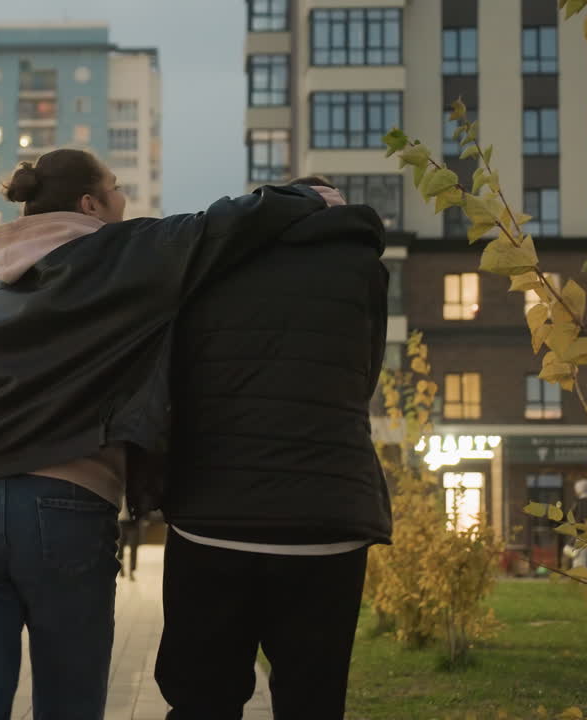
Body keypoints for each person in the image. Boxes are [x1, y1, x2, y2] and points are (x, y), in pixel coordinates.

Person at [0, 148, 339, 720]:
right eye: (115, 188)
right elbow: (219, 226)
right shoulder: (122, 255)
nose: (123, 200)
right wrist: (308, 196)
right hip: (63, 502)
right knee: (68, 703)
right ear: (90, 204)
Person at [154, 175, 392, 720]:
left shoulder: (212, 258)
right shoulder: (362, 267)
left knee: (201, 700)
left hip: (212, 515)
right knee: (312, 701)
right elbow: (364, 374)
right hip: (326, 517)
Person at [117, 499, 142, 582]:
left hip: (133, 523)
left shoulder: (133, 493)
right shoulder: (117, 492)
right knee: (120, 548)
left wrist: (138, 517)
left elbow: (140, 505)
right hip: (120, 523)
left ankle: (131, 571)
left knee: (133, 547)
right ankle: (121, 568)